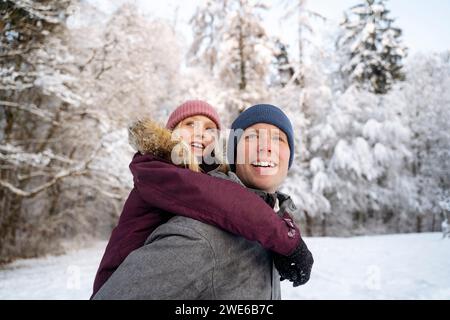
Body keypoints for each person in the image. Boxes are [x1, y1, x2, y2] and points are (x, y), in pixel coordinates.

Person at [92, 104, 313, 300]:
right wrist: (286, 238)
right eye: (251, 136)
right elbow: (219, 198)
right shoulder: (157, 169)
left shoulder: (252, 218)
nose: (200, 133)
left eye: (209, 129)